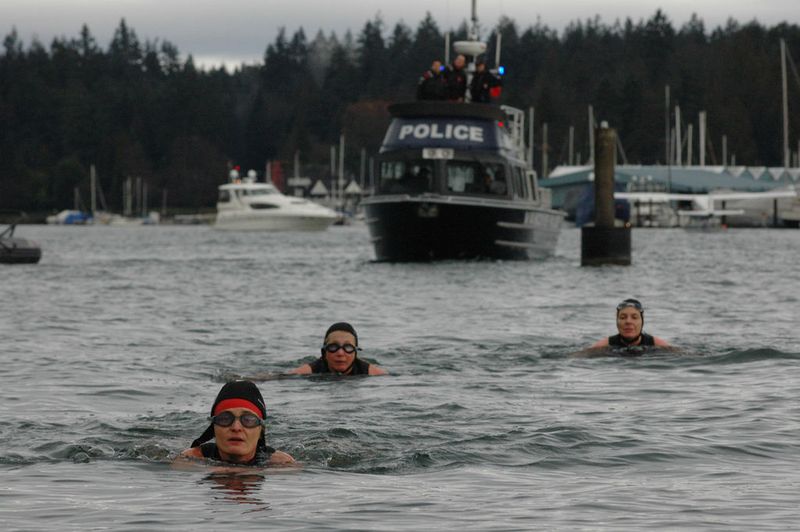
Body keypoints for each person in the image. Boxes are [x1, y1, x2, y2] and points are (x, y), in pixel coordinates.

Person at [178, 380, 295, 466]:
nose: (236, 427)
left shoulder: (281, 462)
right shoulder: (191, 458)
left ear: (261, 430)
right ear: (213, 428)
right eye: (225, 419)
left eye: (248, 420)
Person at [290, 322, 387, 376]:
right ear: (324, 352)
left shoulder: (374, 373)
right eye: (333, 347)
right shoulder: (307, 371)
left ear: (355, 352)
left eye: (348, 347)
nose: (340, 353)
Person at [590, 298, 671, 349]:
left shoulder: (658, 345)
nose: (628, 321)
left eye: (634, 317)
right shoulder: (603, 346)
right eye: (623, 317)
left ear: (642, 320)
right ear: (617, 320)